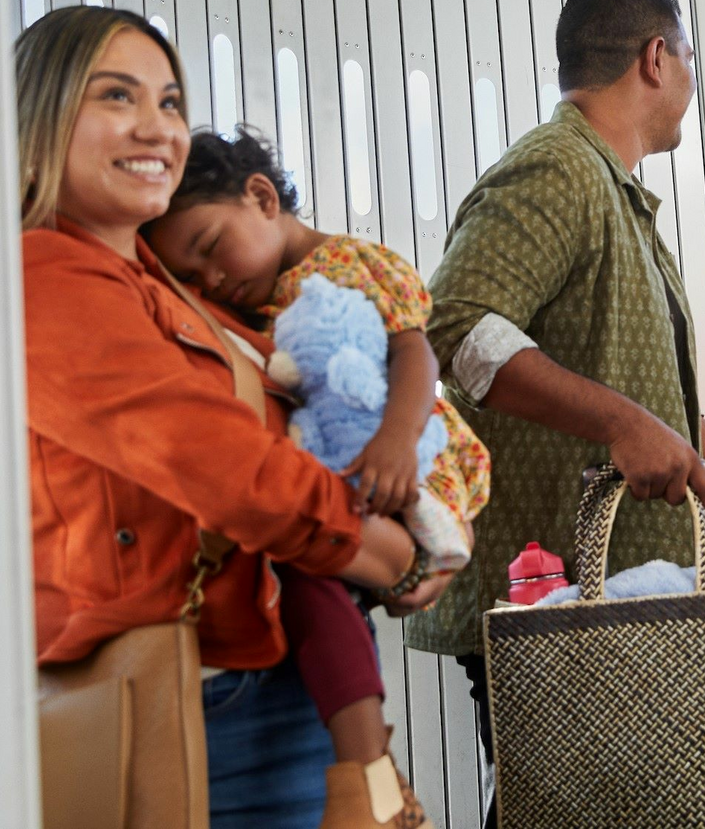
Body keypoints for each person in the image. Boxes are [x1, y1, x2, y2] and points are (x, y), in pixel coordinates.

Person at [403, 0, 705, 828]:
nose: (689, 79)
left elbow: (662, 413)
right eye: (687, 58)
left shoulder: (619, 196)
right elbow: (455, 327)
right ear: (657, 57)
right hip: (555, 601)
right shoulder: (557, 168)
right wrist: (618, 423)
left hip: (617, 594)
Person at [17, 5, 439, 829]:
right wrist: (390, 552)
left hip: (265, 682)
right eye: (117, 96)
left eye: (170, 102)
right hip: (193, 701)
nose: (156, 127)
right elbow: (227, 465)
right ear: (44, 115)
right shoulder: (49, 277)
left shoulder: (163, 282)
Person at [144, 127, 491, 824]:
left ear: (262, 196)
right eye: (193, 275)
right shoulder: (250, 303)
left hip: (410, 460)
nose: (211, 279)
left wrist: (395, 443)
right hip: (353, 472)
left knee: (311, 561)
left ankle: (368, 773)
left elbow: (414, 354)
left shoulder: (351, 262)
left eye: (211, 248)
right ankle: (372, 773)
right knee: (307, 574)